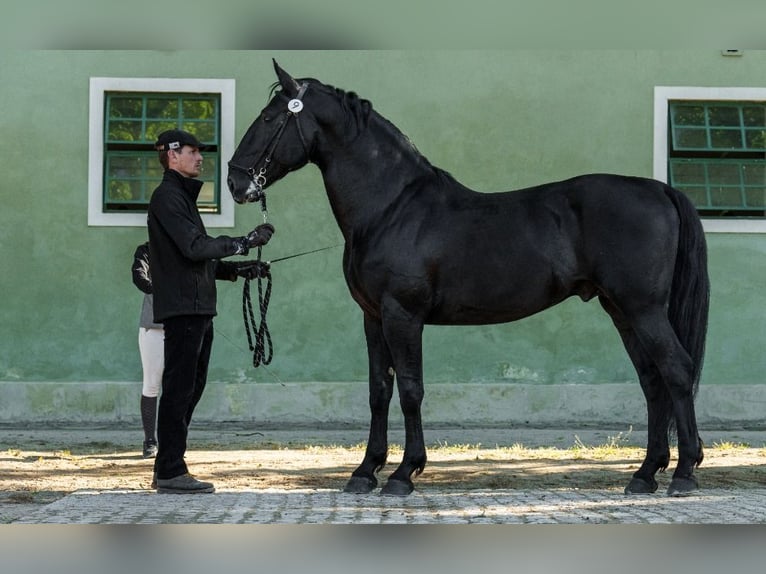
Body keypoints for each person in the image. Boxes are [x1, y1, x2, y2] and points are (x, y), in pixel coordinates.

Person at [148, 129, 273, 494]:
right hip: (185, 309)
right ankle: (171, 469)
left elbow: (195, 257)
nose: (200, 158)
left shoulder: (180, 198)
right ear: (172, 155)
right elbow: (193, 247)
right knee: (179, 389)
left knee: (190, 388)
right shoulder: (168, 197)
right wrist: (243, 242)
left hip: (197, 308)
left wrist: (237, 269)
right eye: (193, 151)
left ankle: (166, 467)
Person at [131, 241, 163, 459]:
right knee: (151, 384)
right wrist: (157, 288)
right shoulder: (147, 250)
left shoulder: (185, 245)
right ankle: (150, 440)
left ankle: (173, 440)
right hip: (154, 327)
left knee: (179, 386)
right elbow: (139, 276)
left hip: (183, 325)